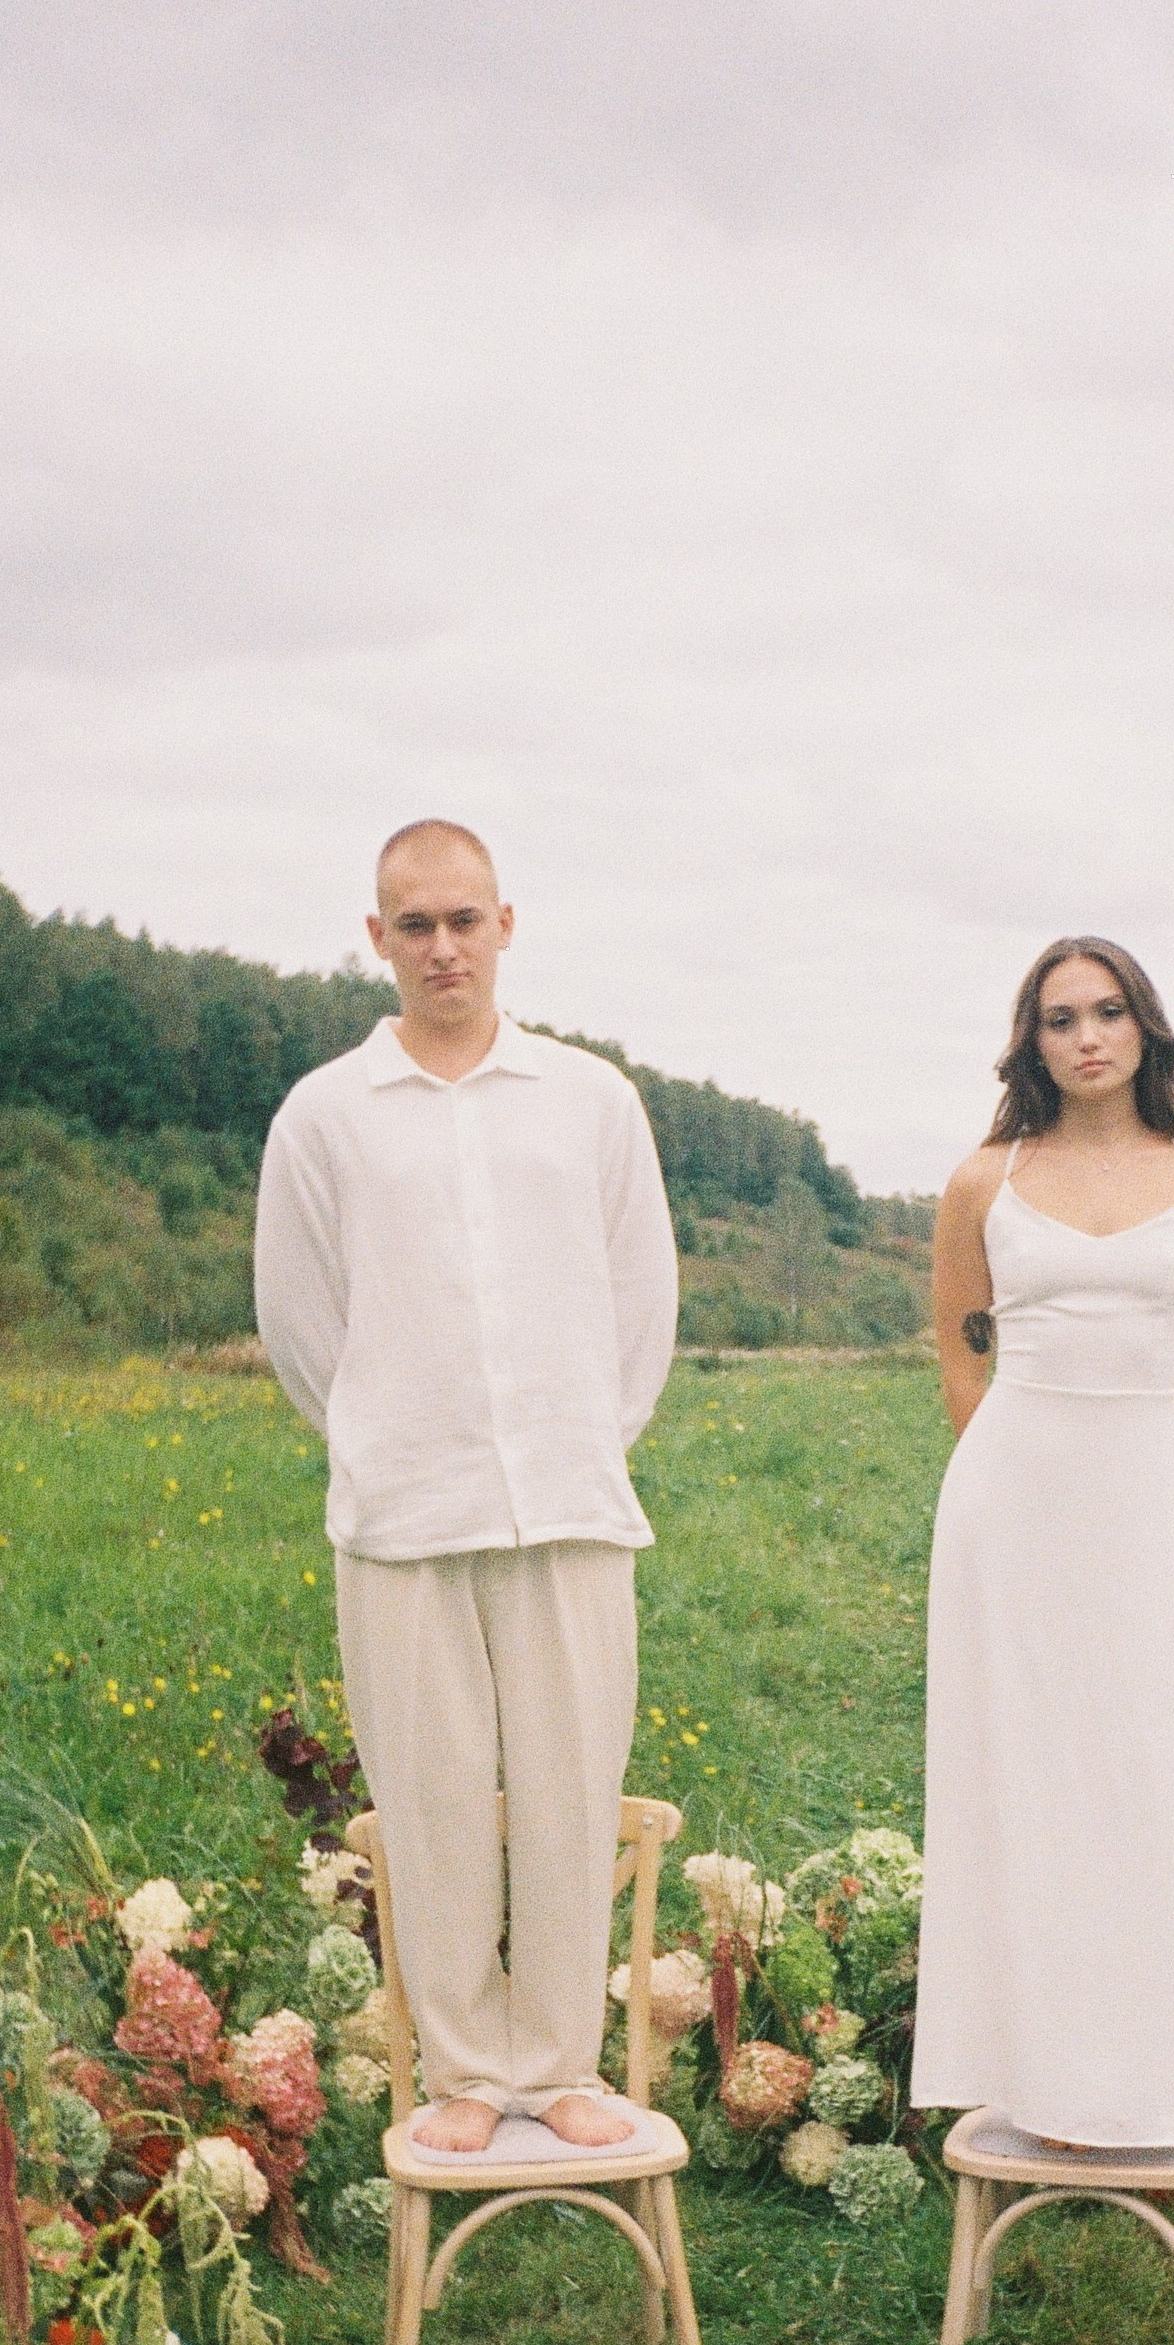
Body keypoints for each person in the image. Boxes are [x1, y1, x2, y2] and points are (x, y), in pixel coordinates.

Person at [254, 819, 676, 2152]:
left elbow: (639, 1299)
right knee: (430, 1795)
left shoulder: (590, 1099)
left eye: (464, 919)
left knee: (566, 1782)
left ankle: (557, 2060)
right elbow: (300, 1317)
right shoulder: (326, 1113)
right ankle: (458, 2075)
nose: (443, 945)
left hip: (566, 1494)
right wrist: (387, 1436)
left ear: (507, 924)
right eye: (415, 924)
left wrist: (578, 1439)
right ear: (377, 939)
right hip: (401, 1507)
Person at [909, 936, 1174, 2151]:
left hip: (1143, 1500)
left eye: (1109, 1012)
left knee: (1147, 1764)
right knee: (1024, 1766)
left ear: (1145, 1030)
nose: (1087, 1036)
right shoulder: (983, 1179)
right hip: (1004, 1507)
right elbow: (958, 1354)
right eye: (1061, 1017)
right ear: (1032, 1040)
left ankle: (1163, 2067)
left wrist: (1131, 1484)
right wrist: (1018, 1482)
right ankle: (1031, 2068)